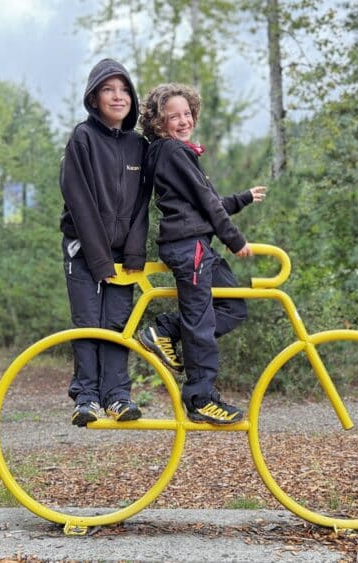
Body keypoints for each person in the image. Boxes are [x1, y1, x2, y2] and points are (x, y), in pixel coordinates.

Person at [136, 83, 267, 425]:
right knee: (201, 321)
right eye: (173, 116)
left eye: (187, 113)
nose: (183, 120)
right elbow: (208, 204)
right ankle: (200, 398)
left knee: (233, 307)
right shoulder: (172, 152)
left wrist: (243, 198)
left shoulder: (177, 154)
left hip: (198, 245)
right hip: (188, 246)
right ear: (158, 123)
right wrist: (236, 240)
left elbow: (207, 203)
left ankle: (165, 331)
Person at [59, 58, 150, 426]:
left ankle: (117, 396)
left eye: (124, 89)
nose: (118, 96)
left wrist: (133, 253)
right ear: (94, 98)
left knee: (117, 323)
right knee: (87, 321)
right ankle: (86, 397)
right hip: (84, 250)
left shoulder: (138, 145)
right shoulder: (83, 138)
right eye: (108, 90)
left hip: (121, 253)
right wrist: (98, 261)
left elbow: (144, 204)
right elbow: (78, 201)